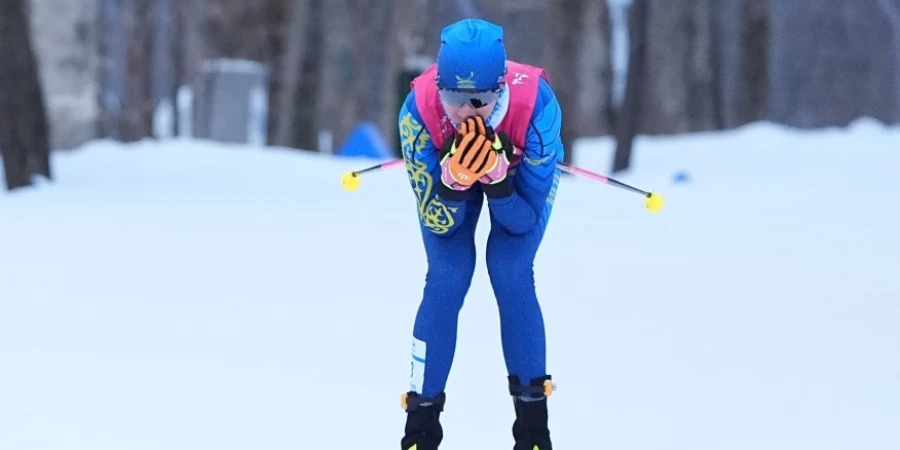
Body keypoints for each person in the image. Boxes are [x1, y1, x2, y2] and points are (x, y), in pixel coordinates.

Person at [396, 17, 564, 450]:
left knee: (509, 268)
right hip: (449, 173)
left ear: (501, 89)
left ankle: (533, 431)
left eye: (479, 100)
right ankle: (420, 428)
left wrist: (499, 180)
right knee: (448, 274)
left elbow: (522, 222)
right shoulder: (417, 113)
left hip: (516, 179)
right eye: (453, 97)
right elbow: (437, 221)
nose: (465, 111)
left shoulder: (538, 108)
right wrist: (451, 184)